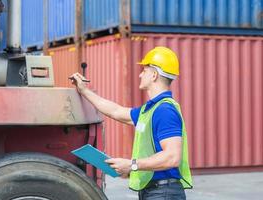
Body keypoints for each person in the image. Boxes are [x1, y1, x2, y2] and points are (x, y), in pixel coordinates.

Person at [70, 46, 193, 200]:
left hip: (164, 192)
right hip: (154, 191)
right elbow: (116, 111)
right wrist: (84, 91)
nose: (141, 74)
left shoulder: (165, 110)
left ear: (154, 75)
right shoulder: (149, 110)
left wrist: (131, 165)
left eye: (144, 70)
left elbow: (172, 157)